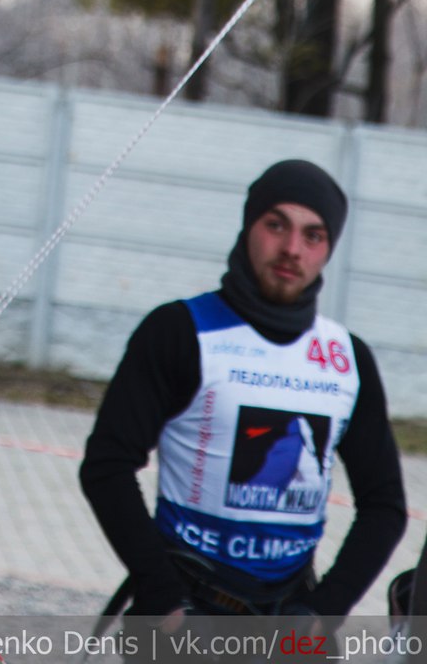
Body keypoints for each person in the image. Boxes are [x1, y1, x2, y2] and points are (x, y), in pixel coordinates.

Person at [80, 160, 405, 619]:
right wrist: (160, 594)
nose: (292, 248)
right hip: (186, 612)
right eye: (276, 226)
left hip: (291, 619)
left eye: (313, 235)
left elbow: (385, 505)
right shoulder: (178, 331)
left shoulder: (348, 359)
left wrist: (322, 612)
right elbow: (107, 465)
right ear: (249, 227)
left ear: (328, 249)